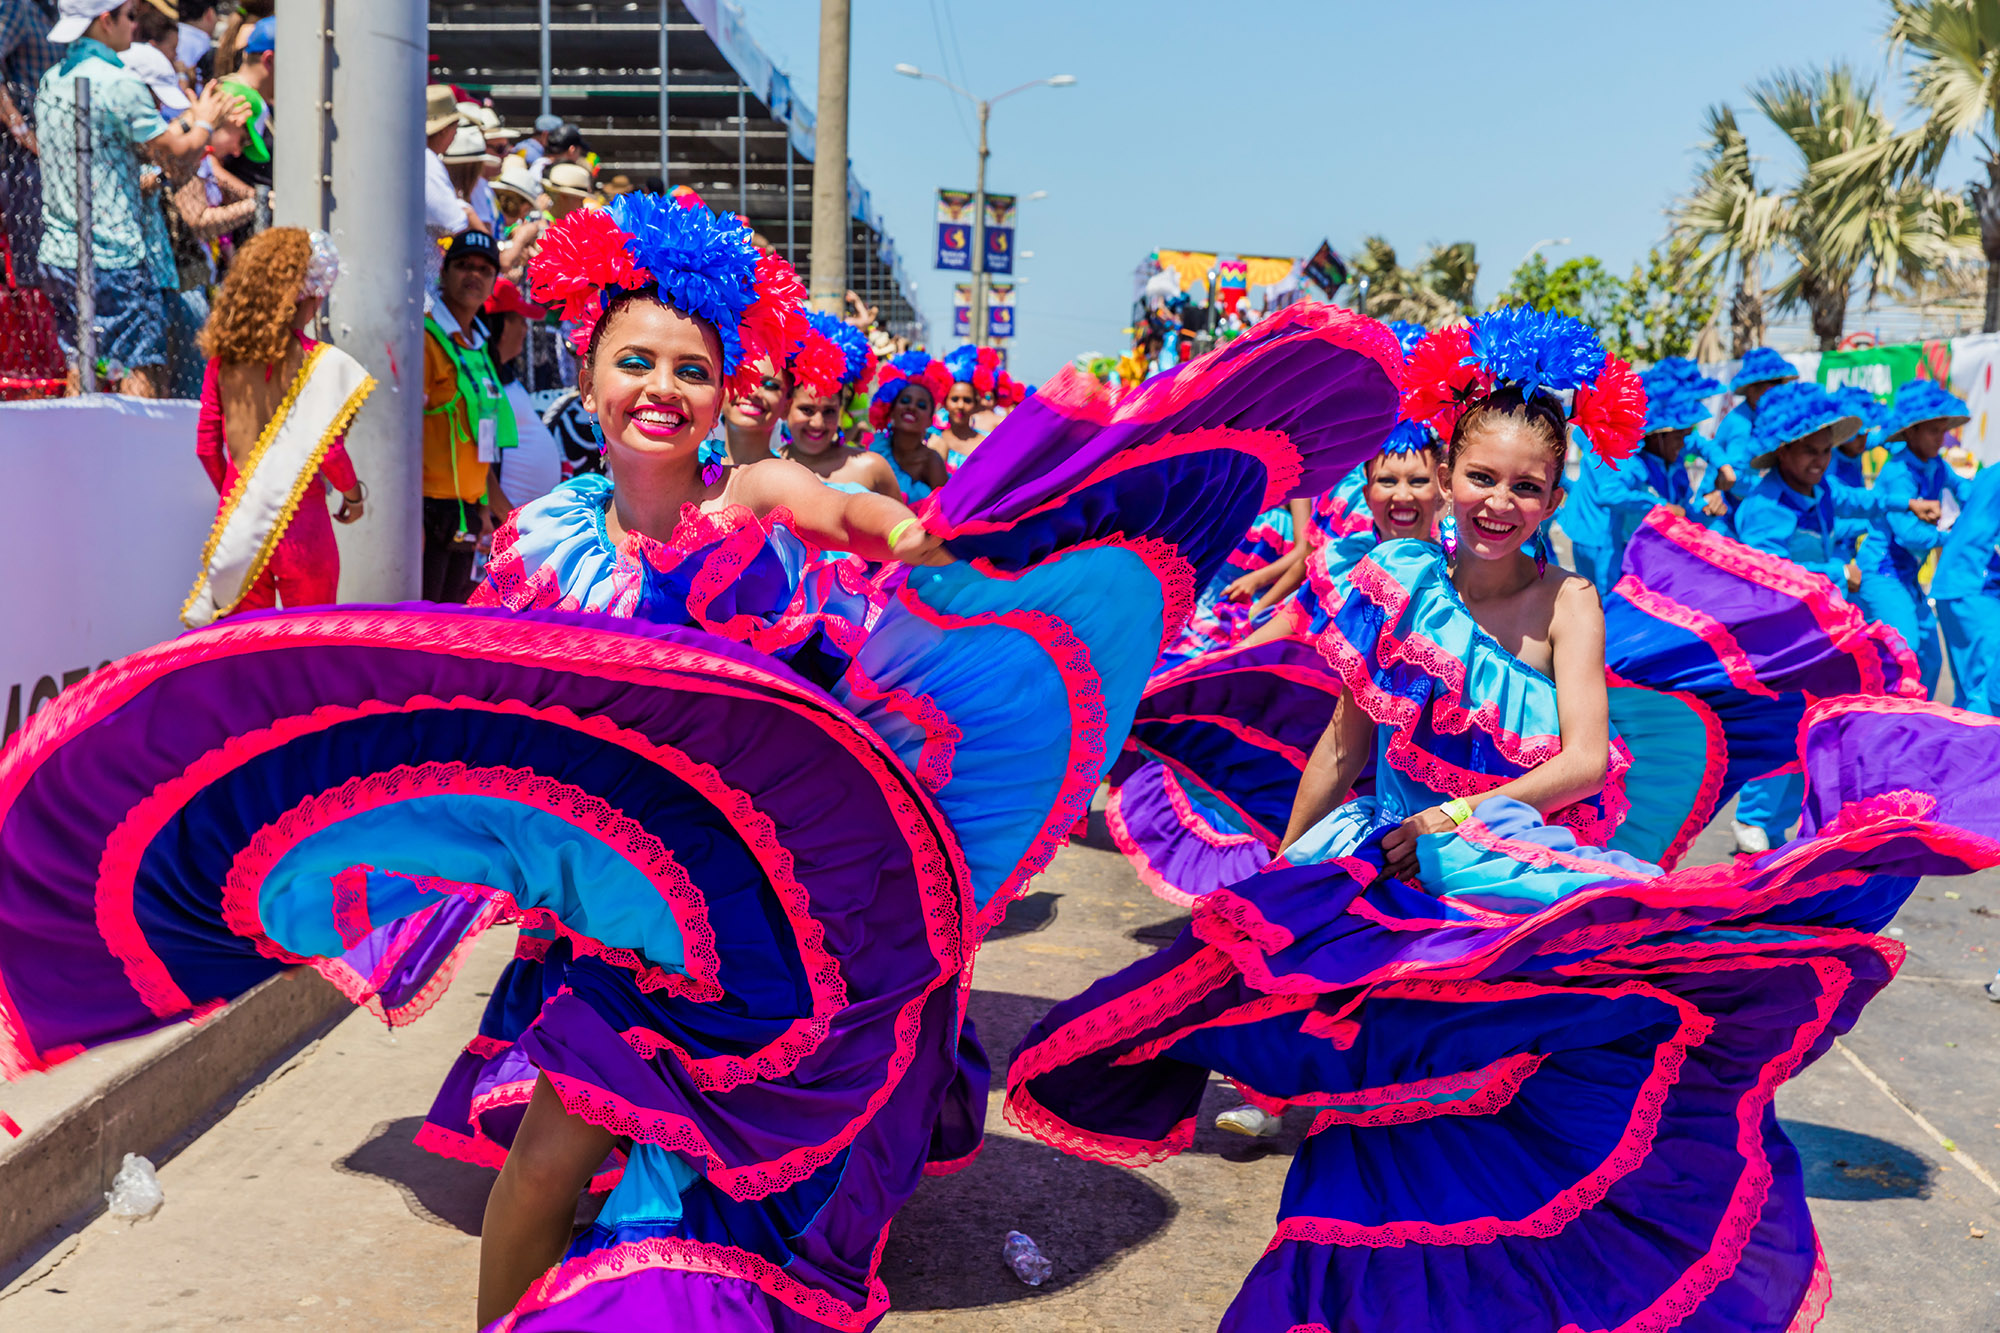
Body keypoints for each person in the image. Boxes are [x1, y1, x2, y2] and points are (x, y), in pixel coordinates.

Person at [1004, 309, 1989, 1332]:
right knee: (1362, 1124)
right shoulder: (1387, 583)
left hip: (1501, 871)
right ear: (1442, 472)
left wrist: (1453, 818)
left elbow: (1575, 759)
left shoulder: (1569, 603)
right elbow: (1342, 746)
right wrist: (1283, 867)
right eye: (1480, 477)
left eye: (1525, 486)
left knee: (1539, 1101)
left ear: (1554, 496)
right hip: (1379, 875)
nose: (1498, 502)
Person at [1710, 380, 1940, 852]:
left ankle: (1776, 829)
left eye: (1826, 451)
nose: (1820, 460)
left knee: (1814, 724)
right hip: (1776, 637)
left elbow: (1859, 503)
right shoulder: (1765, 506)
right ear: (1781, 453)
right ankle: (1753, 817)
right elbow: (1771, 570)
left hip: (1818, 632)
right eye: (1810, 452)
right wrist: (1840, 570)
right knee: (1781, 724)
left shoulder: (1820, 489)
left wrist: (1906, 503)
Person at [35, 0, 243, 397]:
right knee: (140, 366)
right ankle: (133, 455)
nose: (135, 26)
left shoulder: (53, 79)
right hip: (115, 254)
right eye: (129, 15)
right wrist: (204, 122)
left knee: (84, 362)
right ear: (104, 20)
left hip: (62, 253)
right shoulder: (118, 83)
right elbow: (178, 159)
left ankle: (83, 451)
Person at [183, 228, 372, 624]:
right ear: (308, 295)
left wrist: (237, 494)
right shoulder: (315, 360)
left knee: (247, 655)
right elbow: (331, 453)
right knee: (309, 653)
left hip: (239, 533)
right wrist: (354, 496)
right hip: (304, 531)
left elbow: (206, 448)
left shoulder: (222, 360)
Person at [1853, 379, 1972, 697]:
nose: (1941, 438)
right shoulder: (1897, 473)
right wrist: (1958, 537)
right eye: (1933, 430)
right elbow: (1909, 535)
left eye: (1942, 429)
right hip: (1881, 574)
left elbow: (1965, 490)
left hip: (1908, 579)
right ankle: (1888, 725)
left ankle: (1915, 722)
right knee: (1902, 656)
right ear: (1910, 432)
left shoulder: (1936, 464)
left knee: (1931, 659)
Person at [1561, 356, 1715, 590]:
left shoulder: (1593, 429)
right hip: (1602, 536)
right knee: (1605, 607)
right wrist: (1659, 505)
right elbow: (1609, 493)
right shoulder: (1623, 446)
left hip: (1585, 528)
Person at [421, 228, 514, 603]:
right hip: (426, 512)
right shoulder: (425, 337)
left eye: (484, 268)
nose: (474, 274)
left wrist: (491, 511)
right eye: (463, 265)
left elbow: (481, 441)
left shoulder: (481, 347)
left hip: (467, 514)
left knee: (449, 627)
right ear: (444, 274)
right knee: (419, 627)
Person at [778, 309, 897, 496]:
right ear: (785, 407)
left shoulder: (872, 468)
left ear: (841, 408)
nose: (818, 423)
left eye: (829, 411)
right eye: (807, 410)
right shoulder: (763, 466)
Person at [478, 279, 562, 509]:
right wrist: (506, 523)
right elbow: (481, 463)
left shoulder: (502, 372)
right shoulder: (481, 378)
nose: (526, 329)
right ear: (502, 326)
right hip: (502, 526)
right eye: (520, 320)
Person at [1697, 346, 1796, 533]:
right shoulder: (1741, 424)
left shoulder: (1761, 418)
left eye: (1779, 382)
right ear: (1752, 389)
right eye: (1770, 383)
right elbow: (1734, 478)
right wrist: (1776, 490)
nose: (1777, 390)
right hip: (1720, 513)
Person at [1935, 460, 2000, 719]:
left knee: (1970, 692)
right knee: (1986, 693)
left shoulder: (1992, 470)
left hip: (1958, 584)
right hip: (1973, 586)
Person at [865, 348, 952, 499]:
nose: (911, 407)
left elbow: (946, 511)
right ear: (890, 410)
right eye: (905, 401)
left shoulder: (931, 461)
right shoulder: (874, 448)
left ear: (930, 420)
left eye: (921, 405)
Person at [214, 12, 268, 205]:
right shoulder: (195, 153)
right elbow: (208, 166)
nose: (237, 152)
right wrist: (258, 200)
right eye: (244, 140)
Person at [422, 84, 471, 289]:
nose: (455, 135)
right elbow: (456, 224)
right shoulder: (427, 161)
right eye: (455, 127)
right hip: (422, 288)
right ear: (443, 130)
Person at [719, 353, 789, 465]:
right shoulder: (686, 462)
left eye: (769, 385)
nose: (752, 392)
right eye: (740, 378)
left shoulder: (792, 478)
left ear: (787, 406)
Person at [936, 343, 994, 468]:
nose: (960, 405)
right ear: (945, 402)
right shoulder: (931, 438)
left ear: (976, 404)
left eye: (967, 400)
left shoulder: (988, 443)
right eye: (955, 399)